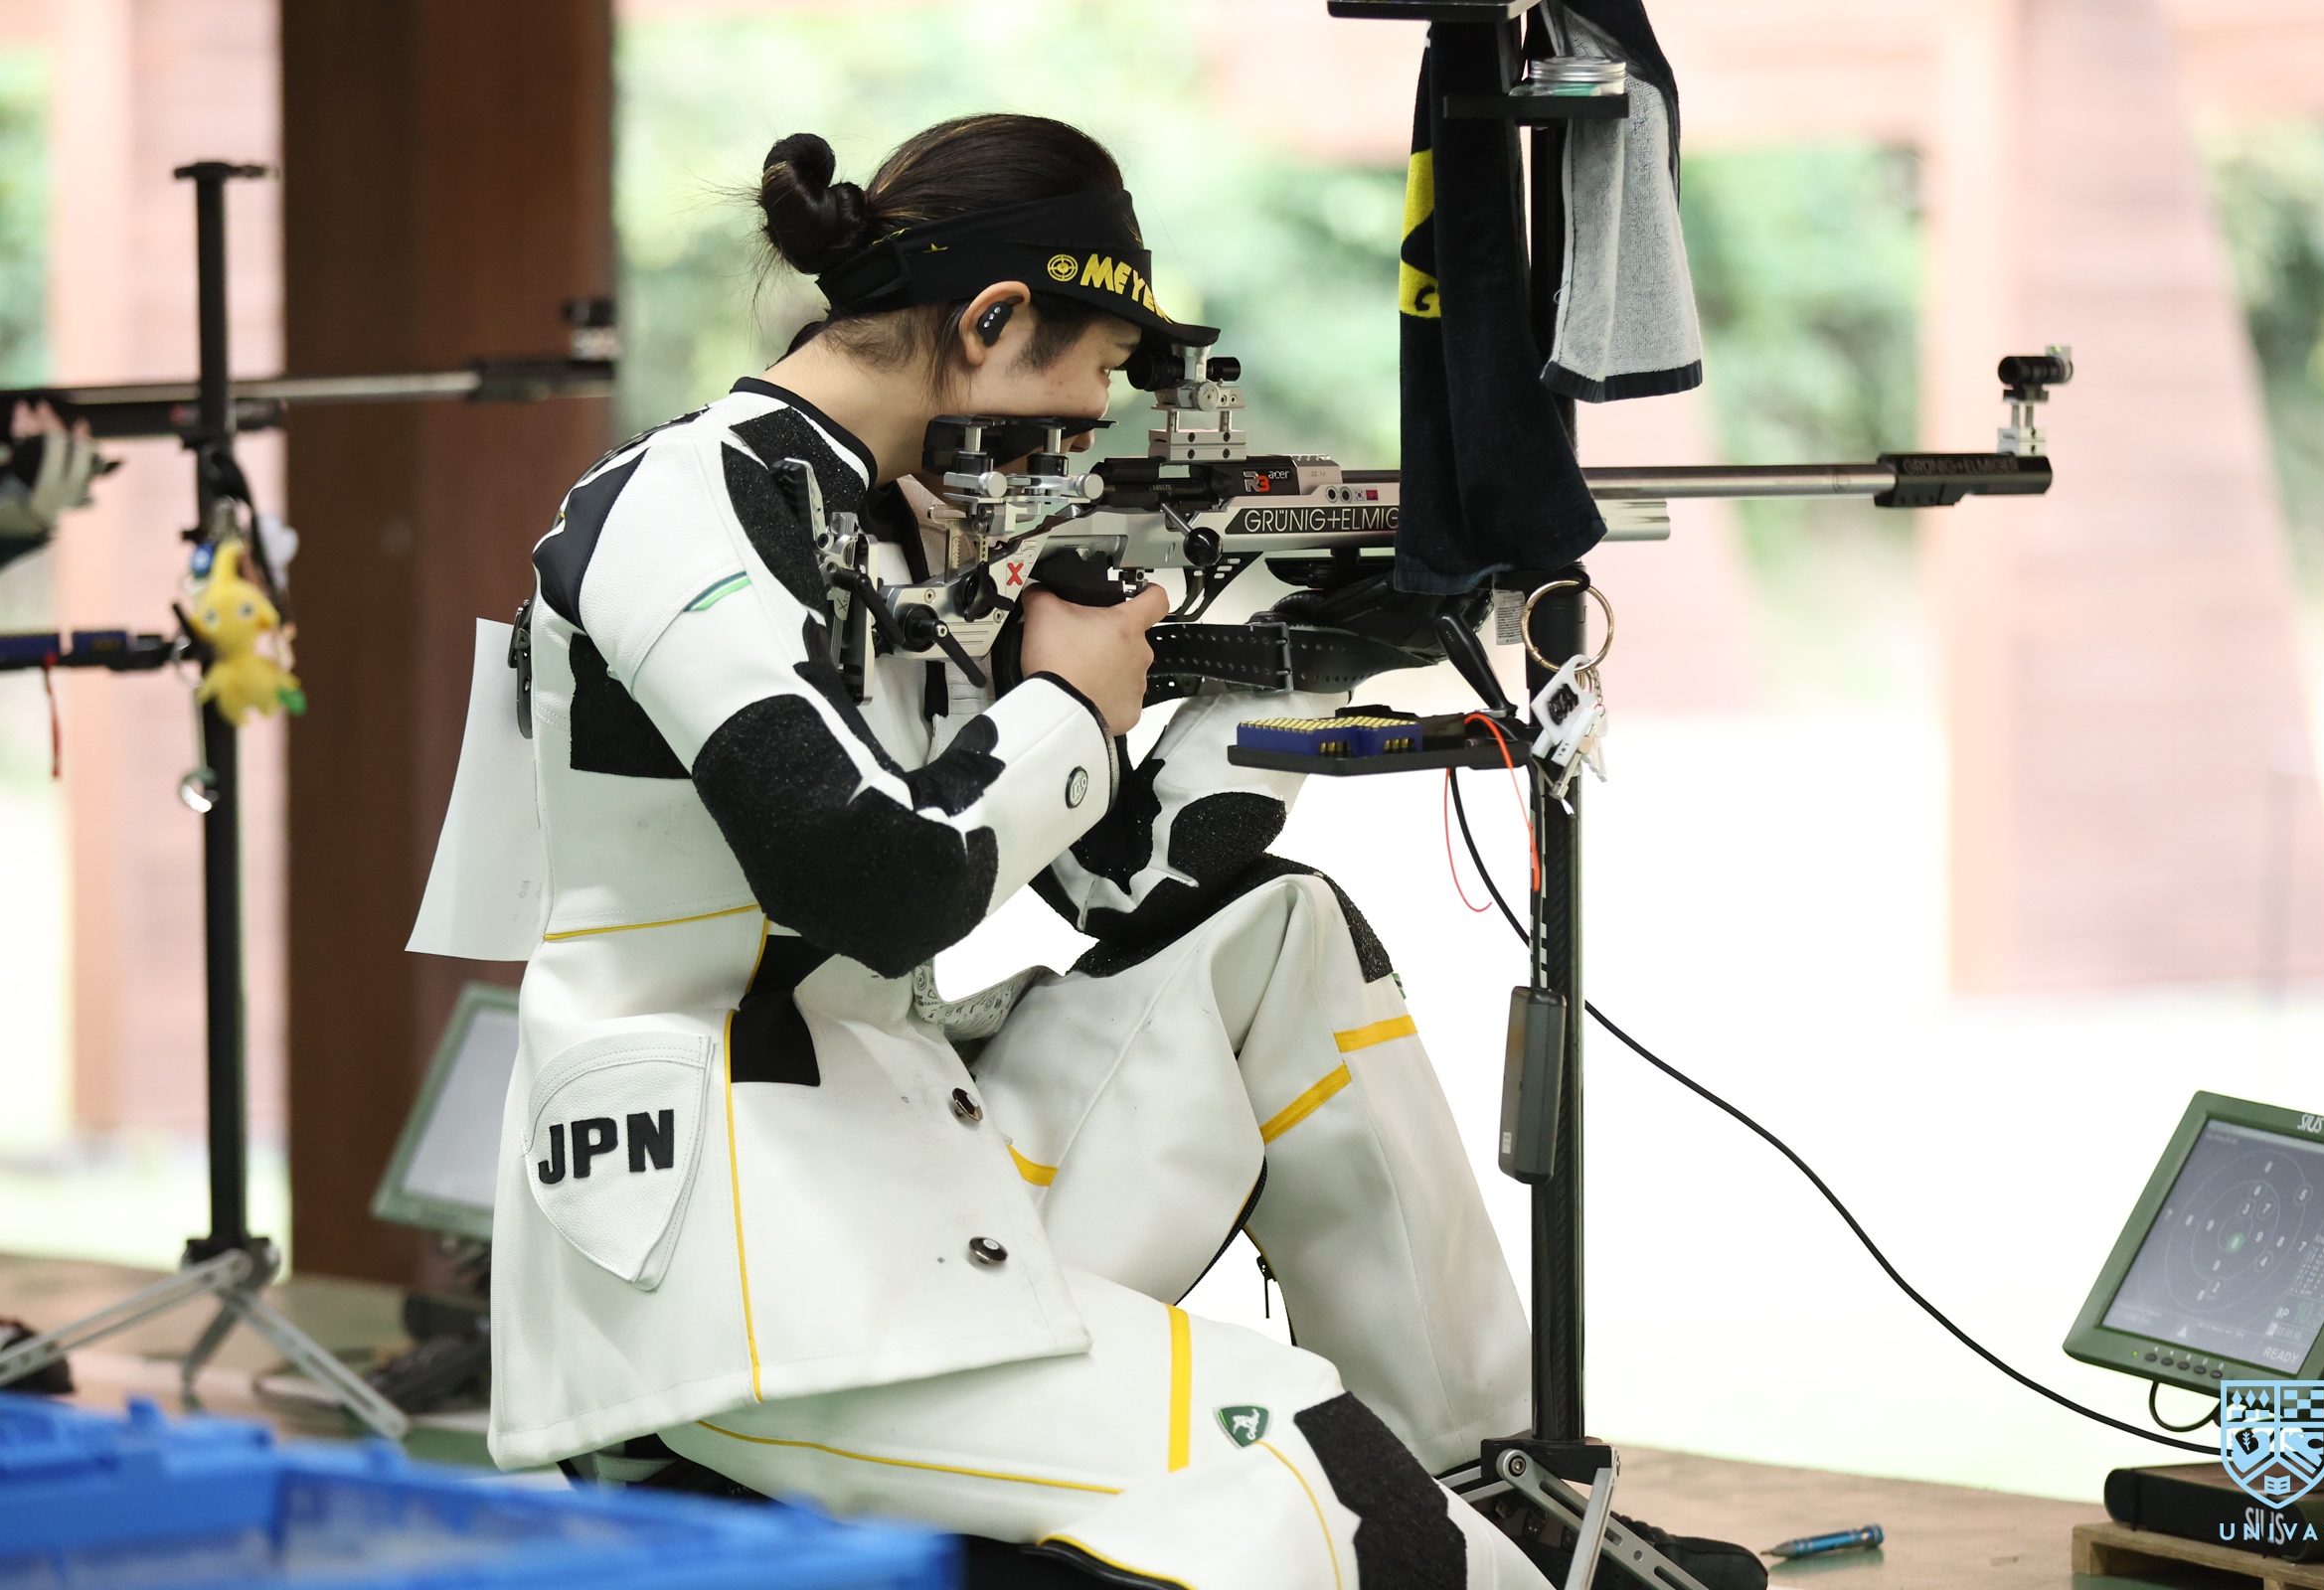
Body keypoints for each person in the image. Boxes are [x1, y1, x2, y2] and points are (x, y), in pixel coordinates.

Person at [486, 113, 1543, 1588]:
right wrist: (1063, 702)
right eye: (1098, 368)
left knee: (1280, 934)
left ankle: (1500, 1486)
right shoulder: (686, 501)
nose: (1101, 412)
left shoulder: (902, 527)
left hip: (892, 1163)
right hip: (727, 1259)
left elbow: (1126, 884)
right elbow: (875, 880)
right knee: (1314, 1472)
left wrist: (1309, 656)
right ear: (989, 321)